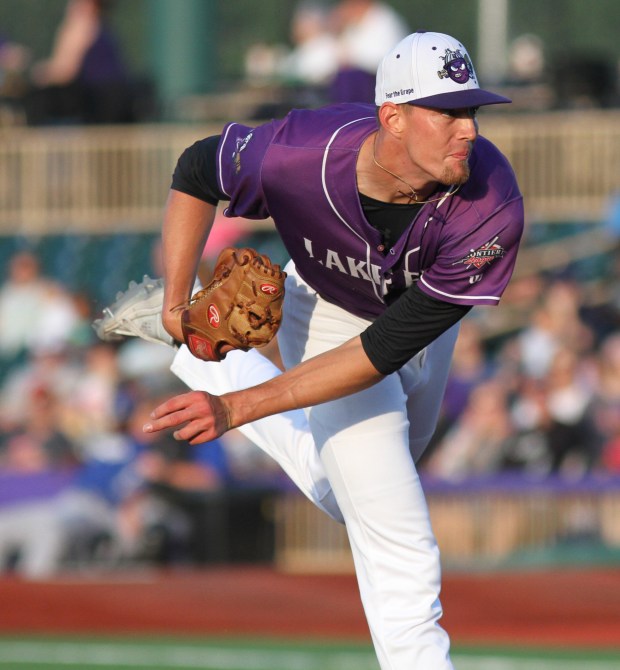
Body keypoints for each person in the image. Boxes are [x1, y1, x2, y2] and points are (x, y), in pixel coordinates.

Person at [96, 31, 524, 670]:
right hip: (325, 308)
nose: (468, 130)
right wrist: (176, 303)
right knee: (396, 526)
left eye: (471, 111)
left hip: (417, 326)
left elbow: (382, 349)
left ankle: (196, 357)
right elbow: (195, 169)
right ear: (394, 117)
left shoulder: (490, 203)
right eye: (447, 112)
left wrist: (239, 403)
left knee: (353, 493)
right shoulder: (300, 153)